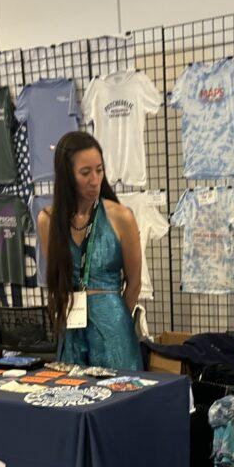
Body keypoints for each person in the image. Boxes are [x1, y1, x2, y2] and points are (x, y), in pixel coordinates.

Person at [38, 131, 143, 370]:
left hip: (114, 331)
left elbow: (134, 283)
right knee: (71, 391)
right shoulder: (48, 220)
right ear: (67, 175)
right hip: (71, 328)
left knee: (119, 390)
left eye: (99, 170)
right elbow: (56, 278)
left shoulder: (121, 217)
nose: (95, 180)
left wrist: (117, 321)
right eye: (85, 173)